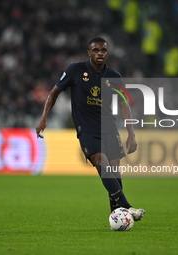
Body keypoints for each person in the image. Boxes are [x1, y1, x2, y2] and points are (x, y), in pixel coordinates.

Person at [36, 37, 145, 221]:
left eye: (103, 50)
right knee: (102, 164)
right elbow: (55, 92)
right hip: (86, 129)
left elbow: (124, 105)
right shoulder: (75, 70)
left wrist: (131, 134)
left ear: (107, 53)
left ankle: (116, 216)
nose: (100, 53)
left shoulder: (114, 77)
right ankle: (127, 208)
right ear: (89, 52)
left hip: (109, 127)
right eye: (96, 50)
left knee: (115, 175)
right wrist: (43, 117)